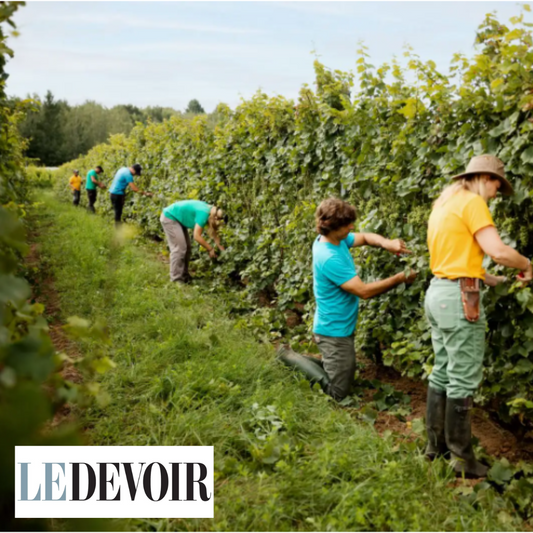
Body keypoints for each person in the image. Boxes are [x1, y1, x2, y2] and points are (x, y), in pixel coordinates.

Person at [424, 154, 532, 478]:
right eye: (498, 184)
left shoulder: (445, 204)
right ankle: (462, 460)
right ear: (485, 178)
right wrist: (527, 265)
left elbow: (455, 258)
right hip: (459, 300)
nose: (498, 192)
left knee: (442, 371)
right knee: (462, 377)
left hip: (438, 293)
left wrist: (493, 279)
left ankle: (435, 448)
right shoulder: (473, 203)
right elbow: (497, 250)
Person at [313, 198, 416, 402]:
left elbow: (366, 237)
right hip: (333, 330)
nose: (352, 227)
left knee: (344, 370)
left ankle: (327, 362)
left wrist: (387, 243)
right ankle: (290, 358)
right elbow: (363, 291)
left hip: (338, 325)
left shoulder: (336, 240)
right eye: (347, 224)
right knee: (338, 393)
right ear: (333, 227)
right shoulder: (329, 256)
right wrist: (399, 277)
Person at [160, 200, 226, 283]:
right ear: (215, 217)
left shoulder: (210, 210)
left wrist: (223, 251)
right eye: (218, 220)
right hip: (170, 217)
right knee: (179, 248)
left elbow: (215, 235)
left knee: (187, 247)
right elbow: (196, 236)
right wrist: (210, 249)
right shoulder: (204, 213)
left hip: (178, 219)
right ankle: (176, 279)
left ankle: (184, 276)